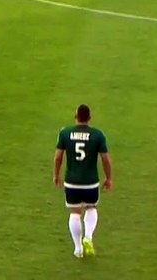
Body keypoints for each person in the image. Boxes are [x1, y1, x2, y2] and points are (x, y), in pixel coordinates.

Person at [53, 104, 113, 259]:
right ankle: (88, 237)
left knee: (75, 212)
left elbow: (58, 157)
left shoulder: (65, 133)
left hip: (71, 181)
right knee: (91, 208)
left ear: (75, 116)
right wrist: (109, 178)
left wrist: (56, 175)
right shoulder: (98, 135)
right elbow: (105, 159)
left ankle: (78, 248)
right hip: (90, 182)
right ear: (90, 118)